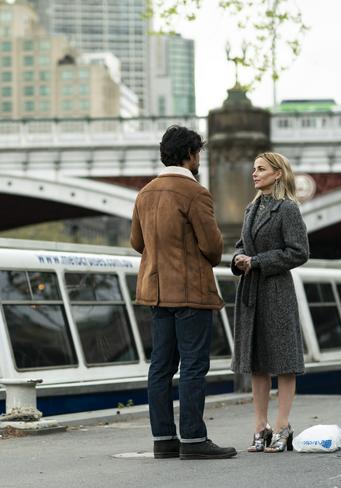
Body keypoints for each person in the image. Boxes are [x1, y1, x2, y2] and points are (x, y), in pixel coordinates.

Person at [130, 125, 237, 460]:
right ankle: (193, 439)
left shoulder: (145, 193)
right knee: (192, 366)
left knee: (160, 367)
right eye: (198, 153)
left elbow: (136, 242)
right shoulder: (195, 193)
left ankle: (163, 439)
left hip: (155, 291)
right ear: (191, 155)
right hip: (190, 293)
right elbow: (213, 248)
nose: (199, 159)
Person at [231, 152, 309, 454]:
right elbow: (242, 245)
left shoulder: (288, 209)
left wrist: (258, 261)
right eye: (253, 169)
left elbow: (299, 251)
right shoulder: (251, 208)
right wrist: (238, 260)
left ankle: (282, 425)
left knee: (283, 362)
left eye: (261, 169)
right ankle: (260, 427)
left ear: (278, 174)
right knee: (256, 363)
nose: (254, 173)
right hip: (251, 292)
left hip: (277, 291)